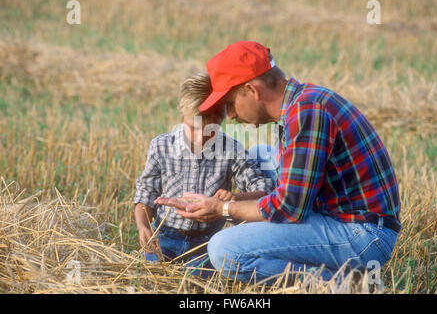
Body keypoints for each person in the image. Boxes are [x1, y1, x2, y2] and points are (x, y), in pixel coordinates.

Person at [163, 41, 401, 284]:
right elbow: (289, 195)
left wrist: (222, 209)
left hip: (363, 236)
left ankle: (341, 285)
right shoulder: (302, 102)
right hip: (348, 220)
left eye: (230, 104)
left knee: (224, 250)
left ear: (251, 90)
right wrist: (230, 200)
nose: (231, 116)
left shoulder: (307, 112)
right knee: (259, 154)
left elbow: (289, 208)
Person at [133, 72, 274, 276]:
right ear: (182, 116)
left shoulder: (231, 149)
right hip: (164, 236)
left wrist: (233, 199)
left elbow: (263, 189)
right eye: (193, 128)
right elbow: (146, 191)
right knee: (150, 277)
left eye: (210, 131)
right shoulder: (161, 146)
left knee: (197, 281)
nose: (201, 137)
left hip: (206, 242)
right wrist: (143, 226)